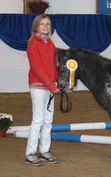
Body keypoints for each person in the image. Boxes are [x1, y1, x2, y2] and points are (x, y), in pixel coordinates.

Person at [25, 14, 60, 166]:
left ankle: (44, 150)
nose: (45, 26)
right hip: (38, 86)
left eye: (47, 24)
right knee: (38, 120)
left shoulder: (50, 44)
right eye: (42, 24)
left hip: (50, 87)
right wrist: (51, 86)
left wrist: (58, 82)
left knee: (48, 121)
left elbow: (54, 66)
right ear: (36, 27)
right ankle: (30, 153)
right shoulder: (33, 44)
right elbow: (37, 68)